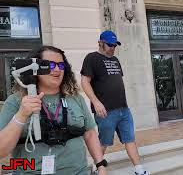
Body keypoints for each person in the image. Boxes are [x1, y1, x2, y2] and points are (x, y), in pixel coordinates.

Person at [0, 46, 107, 175]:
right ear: (35, 67)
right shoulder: (16, 101)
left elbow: (90, 133)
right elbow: (2, 150)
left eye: (61, 65)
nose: (57, 69)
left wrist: (100, 165)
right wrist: (22, 115)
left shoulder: (76, 98)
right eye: (50, 64)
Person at [80, 30, 149, 175]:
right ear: (100, 43)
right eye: (109, 45)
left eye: (115, 45)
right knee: (104, 142)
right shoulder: (91, 58)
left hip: (124, 109)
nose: (112, 48)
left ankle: (139, 170)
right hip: (106, 111)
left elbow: (117, 81)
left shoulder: (115, 60)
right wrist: (96, 103)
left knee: (130, 139)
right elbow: (85, 82)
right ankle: (96, 168)